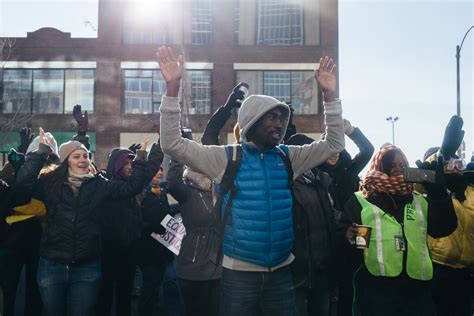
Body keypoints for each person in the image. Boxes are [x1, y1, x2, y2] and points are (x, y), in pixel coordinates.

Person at [157, 46, 344, 315]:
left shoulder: (290, 157)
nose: (278, 124)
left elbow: (334, 143)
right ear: (250, 122)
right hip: (238, 274)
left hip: (282, 272)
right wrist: (172, 88)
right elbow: (172, 144)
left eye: (281, 118)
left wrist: (329, 96)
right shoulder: (226, 158)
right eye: (271, 117)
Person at [13, 128, 157, 316]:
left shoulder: (100, 185)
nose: (83, 160)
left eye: (85, 156)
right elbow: (23, 184)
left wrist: (141, 158)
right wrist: (40, 152)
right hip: (52, 265)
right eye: (76, 156)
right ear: (66, 162)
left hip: (86, 267)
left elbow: (132, 187)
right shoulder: (50, 183)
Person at [339, 145, 457, 316]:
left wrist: (439, 194)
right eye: (391, 165)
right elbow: (345, 237)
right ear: (379, 167)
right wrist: (347, 235)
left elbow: (444, 228)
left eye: (402, 165)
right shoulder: (361, 200)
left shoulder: (419, 201)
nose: (398, 169)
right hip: (376, 291)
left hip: (417, 292)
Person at [420, 116, 474, 316]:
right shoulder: (429, 189)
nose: (456, 167)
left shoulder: (470, 193)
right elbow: (419, 177)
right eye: (450, 163)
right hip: (439, 268)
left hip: (466, 271)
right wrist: (443, 153)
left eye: (458, 162)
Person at [97, 140, 156, 316]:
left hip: (129, 253)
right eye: (126, 163)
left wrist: (162, 142)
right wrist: (140, 158)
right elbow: (132, 186)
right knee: (105, 297)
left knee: (125, 298)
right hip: (108, 253)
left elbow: (150, 170)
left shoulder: (131, 187)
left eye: (132, 163)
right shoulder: (107, 186)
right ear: (116, 165)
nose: (130, 167)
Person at [286, 133, 338, 316]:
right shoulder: (284, 183)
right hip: (297, 270)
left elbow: (330, 217)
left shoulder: (321, 181)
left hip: (323, 267)